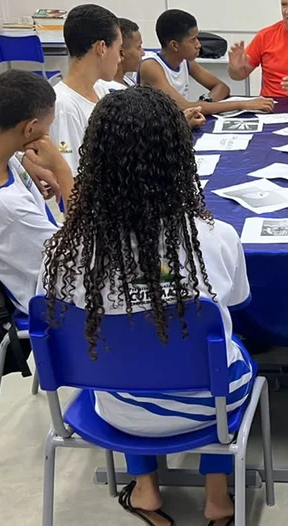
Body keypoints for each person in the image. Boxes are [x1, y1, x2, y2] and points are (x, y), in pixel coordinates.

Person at [39, 86, 254, 526]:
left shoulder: (64, 249)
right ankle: (217, 497)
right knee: (220, 349)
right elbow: (236, 304)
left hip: (115, 406)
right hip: (207, 406)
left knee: (125, 357)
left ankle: (145, 487)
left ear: (93, 161)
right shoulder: (213, 239)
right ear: (179, 159)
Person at [0, 71, 73, 315]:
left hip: (46, 262)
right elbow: (83, 254)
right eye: (47, 128)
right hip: (57, 303)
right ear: (30, 128)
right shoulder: (7, 207)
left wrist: (23, 159)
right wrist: (61, 169)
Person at [140, 9, 275, 115]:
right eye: (192, 40)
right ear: (174, 45)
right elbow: (185, 106)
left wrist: (205, 102)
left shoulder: (186, 62)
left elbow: (222, 87)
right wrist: (243, 104)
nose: (199, 45)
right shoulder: (151, 66)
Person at [49, 4, 122, 174]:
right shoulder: (64, 107)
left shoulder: (101, 89)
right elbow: (72, 180)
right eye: (119, 50)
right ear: (102, 48)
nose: (119, 59)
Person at [101, 18, 143, 91]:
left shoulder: (127, 81)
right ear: (121, 53)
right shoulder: (108, 90)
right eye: (139, 47)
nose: (143, 53)